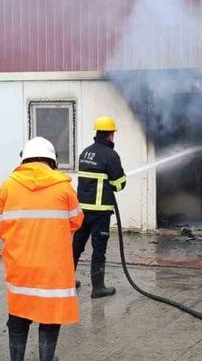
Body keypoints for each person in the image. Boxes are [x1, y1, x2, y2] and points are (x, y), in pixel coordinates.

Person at [0, 137, 83, 361]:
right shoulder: (64, 188)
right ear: (52, 161)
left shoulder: (8, 186)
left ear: (24, 159)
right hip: (53, 269)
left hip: (19, 265)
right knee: (50, 317)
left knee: (18, 315)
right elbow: (76, 221)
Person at [72, 116, 126, 298]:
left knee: (76, 246)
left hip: (81, 210)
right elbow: (119, 184)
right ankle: (98, 287)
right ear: (110, 134)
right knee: (99, 248)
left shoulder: (85, 153)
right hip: (100, 212)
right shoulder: (111, 155)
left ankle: (65, 281)